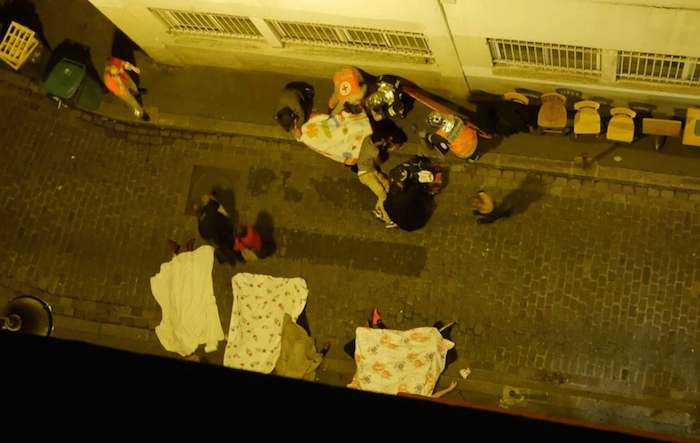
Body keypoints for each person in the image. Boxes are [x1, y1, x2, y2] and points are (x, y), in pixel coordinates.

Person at [194, 193, 237, 263]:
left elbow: (207, 237)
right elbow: (214, 204)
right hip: (224, 229)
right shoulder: (210, 210)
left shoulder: (201, 228)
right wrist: (209, 199)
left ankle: (230, 256)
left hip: (218, 238)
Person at [103, 57, 149, 121]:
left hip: (125, 79)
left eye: (117, 69)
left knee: (134, 86)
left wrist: (133, 68)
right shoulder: (109, 82)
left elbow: (123, 63)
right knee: (133, 102)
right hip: (122, 91)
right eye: (117, 73)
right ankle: (140, 113)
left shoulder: (113, 61)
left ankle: (136, 93)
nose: (119, 70)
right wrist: (119, 80)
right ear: (112, 75)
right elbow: (123, 90)